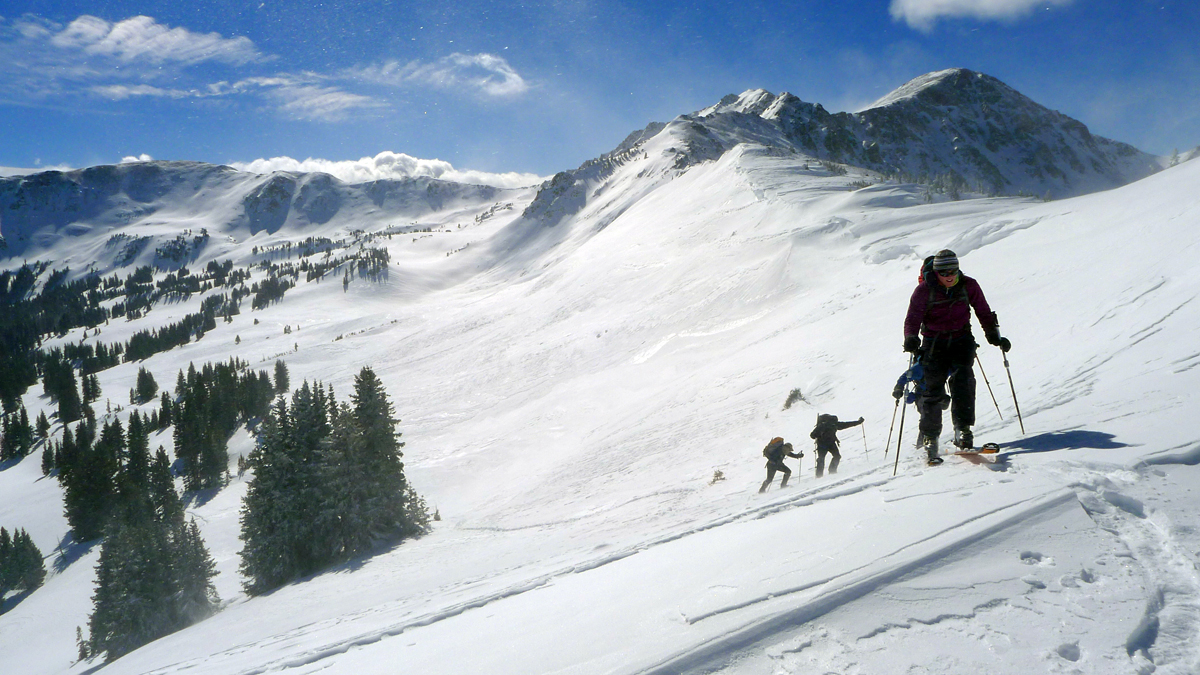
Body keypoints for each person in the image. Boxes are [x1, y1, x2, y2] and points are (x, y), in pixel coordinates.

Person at [903, 249, 1011, 464]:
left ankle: (963, 430)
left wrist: (992, 334)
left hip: (962, 340)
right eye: (944, 271)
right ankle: (930, 437)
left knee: (964, 381)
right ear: (936, 272)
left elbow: (983, 310)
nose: (949, 275)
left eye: (953, 270)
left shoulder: (968, 285)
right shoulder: (924, 290)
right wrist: (911, 338)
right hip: (934, 344)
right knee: (932, 390)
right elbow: (912, 318)